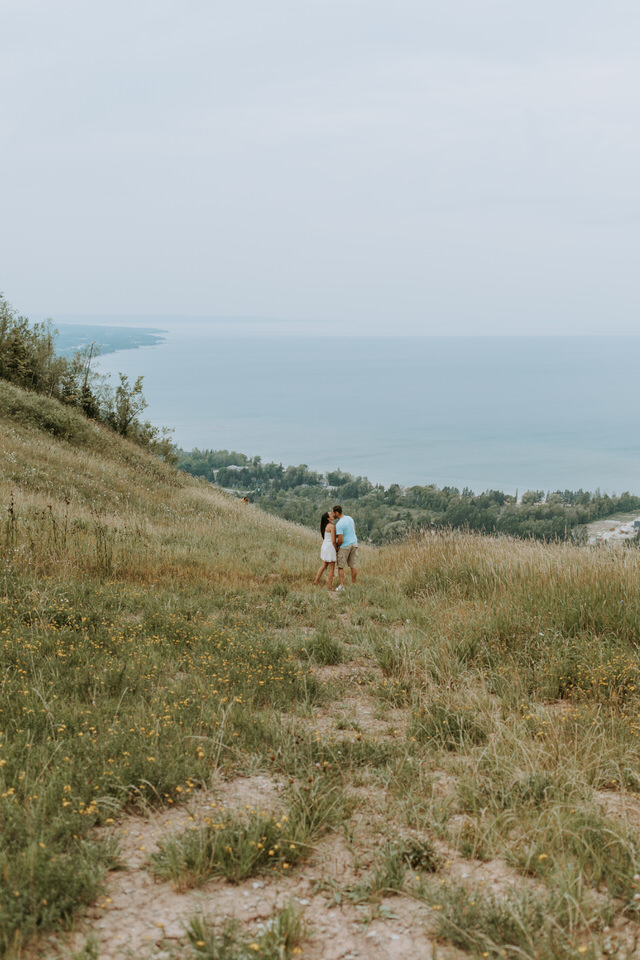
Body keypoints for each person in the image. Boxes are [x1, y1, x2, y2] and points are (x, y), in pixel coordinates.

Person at [333, 505, 357, 590]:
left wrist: (337, 546)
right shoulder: (350, 518)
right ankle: (354, 584)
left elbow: (340, 539)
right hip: (354, 543)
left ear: (336, 513)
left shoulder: (339, 524)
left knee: (340, 567)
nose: (333, 515)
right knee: (353, 566)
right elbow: (354, 530)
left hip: (345, 546)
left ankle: (341, 585)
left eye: (333, 513)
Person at [313, 510, 337, 590]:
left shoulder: (326, 526)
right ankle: (329, 586)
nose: (332, 514)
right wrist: (336, 549)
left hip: (325, 545)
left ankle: (316, 581)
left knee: (324, 565)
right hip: (330, 546)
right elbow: (333, 541)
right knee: (331, 567)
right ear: (328, 518)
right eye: (330, 514)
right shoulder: (332, 527)